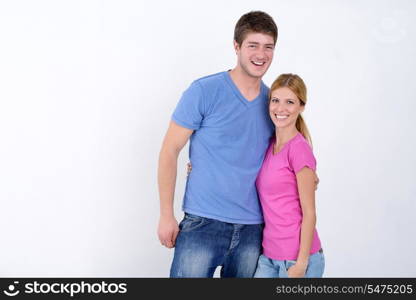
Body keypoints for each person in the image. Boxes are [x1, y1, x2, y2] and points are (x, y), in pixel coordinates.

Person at [157, 11, 278, 277]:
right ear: (236, 47)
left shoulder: (274, 104)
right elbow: (169, 151)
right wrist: (166, 214)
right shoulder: (204, 91)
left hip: (252, 230)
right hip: (203, 223)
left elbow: (281, 157)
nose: (261, 54)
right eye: (253, 45)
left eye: (268, 47)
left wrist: (306, 175)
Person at [254, 74, 325, 278]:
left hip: (297, 259)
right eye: (275, 100)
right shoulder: (268, 146)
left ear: (301, 107)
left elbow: (309, 213)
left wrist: (301, 263)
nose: (281, 109)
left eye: (290, 102)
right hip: (268, 256)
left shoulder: (300, 150)